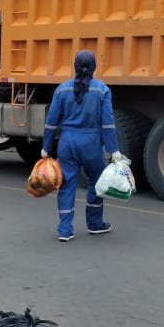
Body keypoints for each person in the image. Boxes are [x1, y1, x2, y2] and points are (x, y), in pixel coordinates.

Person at [41, 49, 122, 242]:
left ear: (74, 67)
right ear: (94, 67)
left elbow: (51, 121)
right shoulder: (102, 90)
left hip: (67, 143)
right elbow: (107, 123)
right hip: (91, 143)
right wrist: (113, 150)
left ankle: (65, 229)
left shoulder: (61, 90)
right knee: (96, 181)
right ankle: (94, 224)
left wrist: (46, 146)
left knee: (67, 184)